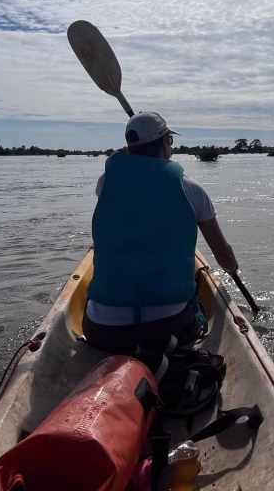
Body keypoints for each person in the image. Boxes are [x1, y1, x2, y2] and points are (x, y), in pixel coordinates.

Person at [83, 111, 239, 356]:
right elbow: (224, 256)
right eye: (170, 141)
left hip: (102, 329)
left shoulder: (105, 182)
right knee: (192, 306)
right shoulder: (193, 189)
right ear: (166, 142)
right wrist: (232, 267)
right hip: (169, 328)